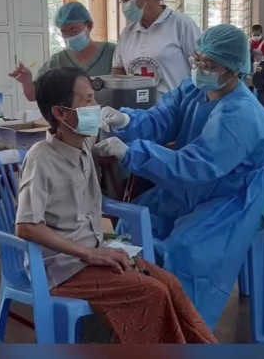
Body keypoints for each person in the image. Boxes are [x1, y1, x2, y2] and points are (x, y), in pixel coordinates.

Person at [15, 67, 217, 344]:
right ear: (60, 113)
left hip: (90, 254)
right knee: (151, 292)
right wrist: (90, 254)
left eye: (94, 98)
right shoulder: (41, 159)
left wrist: (121, 134)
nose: (95, 108)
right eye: (87, 101)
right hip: (62, 269)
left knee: (169, 283)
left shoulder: (82, 144)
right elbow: (27, 227)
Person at [95, 24, 264, 327]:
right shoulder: (193, 90)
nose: (200, 68)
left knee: (185, 251)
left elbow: (196, 166)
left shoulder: (242, 115)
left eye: (210, 64)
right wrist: (127, 120)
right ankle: (137, 313)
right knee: (134, 225)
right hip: (189, 189)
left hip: (229, 199)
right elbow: (161, 118)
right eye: (198, 59)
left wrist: (131, 154)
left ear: (234, 68)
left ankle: (182, 329)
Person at [111, 0, 201, 95]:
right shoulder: (128, 33)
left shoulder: (181, 25)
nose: (124, 6)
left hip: (176, 104)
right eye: (122, 1)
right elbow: (118, 74)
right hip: (137, 106)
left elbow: (200, 67)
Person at [10, 2, 117, 102]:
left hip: (110, 114)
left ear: (89, 26)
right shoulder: (58, 61)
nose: (69, 36)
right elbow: (33, 96)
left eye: (74, 31)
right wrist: (26, 81)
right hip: (71, 115)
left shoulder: (112, 52)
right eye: (64, 32)